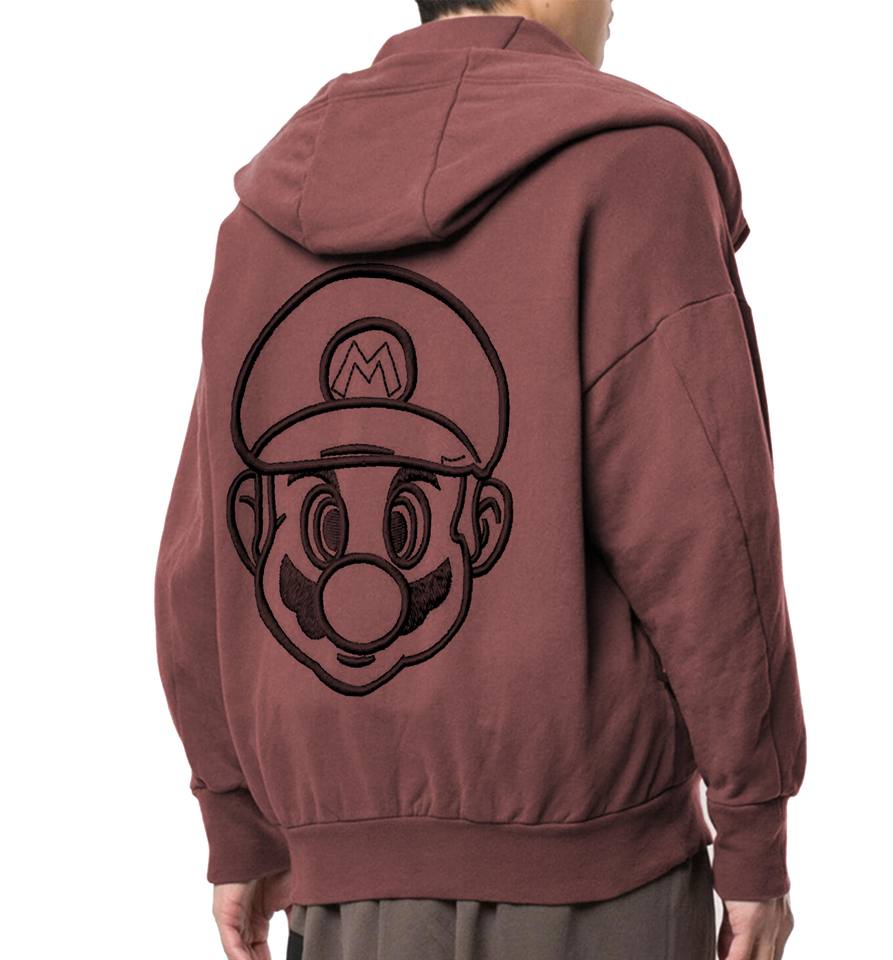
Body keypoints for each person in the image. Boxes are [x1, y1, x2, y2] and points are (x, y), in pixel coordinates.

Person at [154, 1, 807, 958]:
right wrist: (753, 826)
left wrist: (239, 821)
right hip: (597, 890)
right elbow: (706, 535)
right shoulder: (632, 173)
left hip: (341, 897)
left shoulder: (258, 223)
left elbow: (198, 562)